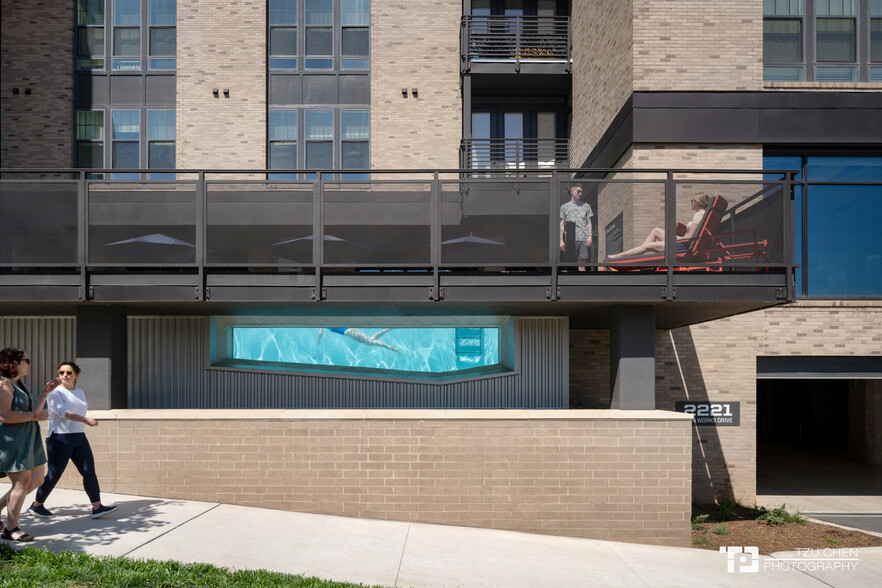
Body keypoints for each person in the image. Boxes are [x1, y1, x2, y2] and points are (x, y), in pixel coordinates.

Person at [28, 361, 117, 520]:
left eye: (69, 373)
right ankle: (36, 505)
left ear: (76, 375)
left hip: (78, 436)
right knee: (54, 474)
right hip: (60, 438)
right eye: (61, 372)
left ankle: (97, 507)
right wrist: (85, 420)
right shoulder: (55, 393)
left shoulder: (79, 391)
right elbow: (65, 413)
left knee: (89, 471)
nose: (64, 376)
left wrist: (82, 423)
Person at [0, 347, 59, 542]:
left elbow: (33, 408)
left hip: (29, 440)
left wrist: (44, 392)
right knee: (21, 483)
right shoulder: (4, 385)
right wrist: (35, 415)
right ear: (13, 363)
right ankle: (11, 529)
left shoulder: (19, 384)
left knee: (37, 479)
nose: (30, 364)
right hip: (13, 442)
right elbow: (5, 416)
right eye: (26, 360)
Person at [607, 192, 711, 260]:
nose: (691, 203)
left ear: (697, 202)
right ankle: (638, 253)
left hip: (683, 246)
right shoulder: (703, 214)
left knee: (648, 246)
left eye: (692, 201)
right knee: (656, 230)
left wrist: (676, 237)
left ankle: (621, 256)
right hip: (684, 244)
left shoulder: (698, 215)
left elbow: (689, 238)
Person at [559, 184, 594, 271]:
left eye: (581, 192)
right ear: (572, 192)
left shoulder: (586, 206)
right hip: (570, 238)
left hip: (583, 238)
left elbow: (589, 222)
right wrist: (561, 240)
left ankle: (582, 284)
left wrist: (590, 236)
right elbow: (562, 224)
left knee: (582, 265)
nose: (580, 194)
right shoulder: (564, 207)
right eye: (578, 191)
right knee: (570, 264)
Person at [316, 327, 400, 353]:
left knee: (370, 342)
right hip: (350, 331)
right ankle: (388, 329)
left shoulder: (321, 322)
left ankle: (391, 348)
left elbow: (321, 333)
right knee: (370, 340)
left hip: (349, 332)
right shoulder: (326, 316)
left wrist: (318, 341)